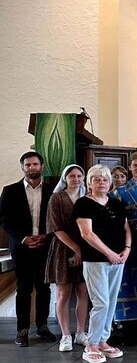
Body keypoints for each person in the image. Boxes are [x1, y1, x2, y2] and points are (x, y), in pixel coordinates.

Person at [74, 164, 131, 363]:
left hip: (118, 259)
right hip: (96, 260)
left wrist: (127, 249)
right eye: (97, 179)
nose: (101, 183)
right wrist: (109, 254)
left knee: (112, 301)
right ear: (89, 183)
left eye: (105, 179)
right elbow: (86, 233)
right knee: (101, 302)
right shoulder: (83, 203)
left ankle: (103, 341)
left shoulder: (116, 203)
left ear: (110, 183)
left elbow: (126, 229)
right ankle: (91, 343)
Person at [0, 151, 55, 346]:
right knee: (23, 288)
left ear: (42, 166)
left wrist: (46, 237)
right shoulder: (10, 191)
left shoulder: (51, 191)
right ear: (22, 167)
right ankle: (22, 330)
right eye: (28, 165)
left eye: (35, 164)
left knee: (44, 288)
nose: (32, 168)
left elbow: (56, 220)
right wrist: (23, 239)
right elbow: (4, 220)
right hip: (21, 248)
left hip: (44, 246)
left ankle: (42, 326)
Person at [45, 164, 89, 352]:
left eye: (79, 175)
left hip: (87, 247)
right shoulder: (57, 198)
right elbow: (55, 228)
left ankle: (80, 333)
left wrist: (82, 249)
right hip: (63, 248)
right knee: (63, 293)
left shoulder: (87, 198)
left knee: (83, 291)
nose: (76, 179)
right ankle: (65, 335)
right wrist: (76, 248)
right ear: (65, 178)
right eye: (72, 175)